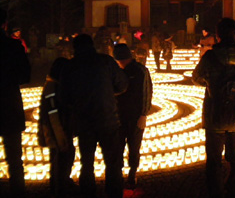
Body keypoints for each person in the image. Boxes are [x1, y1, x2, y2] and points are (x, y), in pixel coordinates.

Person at [192, 18, 235, 198]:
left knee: (213, 161)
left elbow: (196, 78)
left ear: (218, 36)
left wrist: (211, 83)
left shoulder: (210, 57)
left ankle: (215, 192)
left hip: (215, 116)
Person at [60, 34, 128, 198]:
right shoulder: (106, 61)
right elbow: (122, 84)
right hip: (108, 118)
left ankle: (88, 193)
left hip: (84, 122)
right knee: (112, 162)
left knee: (87, 163)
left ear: (75, 48)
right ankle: (113, 193)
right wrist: (110, 93)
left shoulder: (70, 67)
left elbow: (64, 96)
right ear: (92, 46)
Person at [113, 44, 153, 190]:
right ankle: (118, 173)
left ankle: (132, 173)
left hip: (135, 116)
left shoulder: (140, 71)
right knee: (118, 146)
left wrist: (143, 114)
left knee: (134, 146)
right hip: (119, 116)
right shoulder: (118, 70)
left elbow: (147, 93)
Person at [0, 9, 31, 197]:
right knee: (14, 155)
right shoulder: (14, 47)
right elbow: (25, 76)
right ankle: (18, 191)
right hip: (9, 102)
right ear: (5, 24)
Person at [38, 57, 76, 197]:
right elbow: (53, 115)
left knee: (62, 158)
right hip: (56, 133)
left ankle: (62, 183)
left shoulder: (54, 85)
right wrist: (61, 138)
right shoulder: (52, 88)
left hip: (58, 131)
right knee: (61, 159)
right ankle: (60, 188)